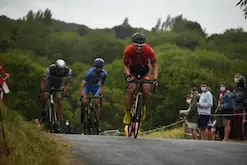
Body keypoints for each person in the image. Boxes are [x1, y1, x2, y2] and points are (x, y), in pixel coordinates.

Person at [122, 32, 159, 136]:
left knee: (147, 89)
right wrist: (128, 76)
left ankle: (142, 107)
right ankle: (128, 112)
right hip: (132, 70)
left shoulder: (148, 50)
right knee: (131, 88)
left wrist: (155, 78)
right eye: (136, 46)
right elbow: (125, 65)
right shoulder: (128, 50)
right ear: (133, 44)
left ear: (144, 45)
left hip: (144, 71)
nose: (138, 48)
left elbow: (155, 64)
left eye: (141, 46)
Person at [40, 59, 72, 131]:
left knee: (60, 101)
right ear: (56, 67)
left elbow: (67, 83)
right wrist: (42, 89)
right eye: (59, 69)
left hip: (58, 84)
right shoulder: (50, 69)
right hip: (49, 82)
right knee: (45, 96)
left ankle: (57, 121)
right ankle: (43, 109)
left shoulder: (68, 71)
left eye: (62, 69)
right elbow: (43, 80)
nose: (60, 71)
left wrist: (64, 91)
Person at [80, 58, 107, 133]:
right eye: (97, 67)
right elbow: (83, 84)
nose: (98, 69)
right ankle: (83, 116)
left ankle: (97, 122)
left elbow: (102, 85)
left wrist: (100, 94)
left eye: (100, 68)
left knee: (97, 104)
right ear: (95, 66)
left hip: (96, 87)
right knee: (85, 102)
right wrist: (82, 94)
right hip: (87, 86)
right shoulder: (90, 73)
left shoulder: (104, 74)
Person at [232, 73, 247, 141]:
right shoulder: (236, 88)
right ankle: (236, 137)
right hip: (235, 108)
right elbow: (232, 96)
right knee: (236, 124)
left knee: (241, 124)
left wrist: (234, 96)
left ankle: (241, 137)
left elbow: (237, 98)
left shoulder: (244, 89)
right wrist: (234, 96)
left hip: (241, 109)